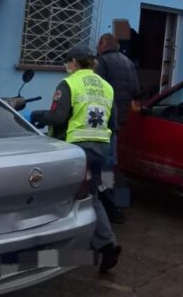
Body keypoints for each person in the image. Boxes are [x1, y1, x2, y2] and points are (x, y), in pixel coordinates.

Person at [30, 45, 121, 273]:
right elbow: (113, 124)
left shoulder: (69, 83)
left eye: (66, 61)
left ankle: (48, 249)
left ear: (74, 62)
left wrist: (36, 115)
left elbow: (58, 117)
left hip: (76, 150)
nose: (65, 66)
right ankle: (106, 243)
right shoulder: (107, 87)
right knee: (92, 196)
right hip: (102, 149)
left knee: (57, 196)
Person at [95, 33, 141, 224]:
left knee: (103, 165)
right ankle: (118, 204)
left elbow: (96, 91)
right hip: (119, 121)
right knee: (112, 164)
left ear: (104, 44)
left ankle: (109, 207)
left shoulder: (102, 62)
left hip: (102, 121)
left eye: (98, 44)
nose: (97, 48)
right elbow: (136, 91)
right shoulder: (128, 63)